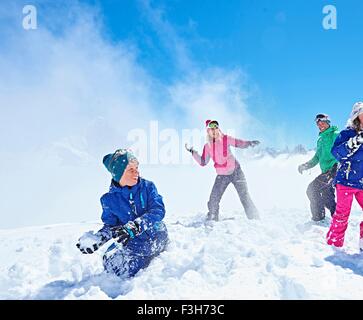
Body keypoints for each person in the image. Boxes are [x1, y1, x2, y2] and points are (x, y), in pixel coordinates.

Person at [76, 149, 168, 278]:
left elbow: (158, 210)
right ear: (118, 174)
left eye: (137, 167)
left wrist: (137, 225)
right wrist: (99, 238)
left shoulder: (147, 187)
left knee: (125, 271)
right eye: (131, 169)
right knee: (108, 262)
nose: (136, 172)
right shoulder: (109, 200)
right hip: (133, 243)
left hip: (156, 235)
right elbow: (112, 226)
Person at [185, 119, 260, 221]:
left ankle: (255, 219)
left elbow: (238, 143)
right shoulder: (207, 146)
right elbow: (203, 162)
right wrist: (193, 152)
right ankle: (212, 218)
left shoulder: (226, 139)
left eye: (216, 128)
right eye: (211, 129)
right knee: (213, 200)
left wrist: (249, 143)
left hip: (236, 171)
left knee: (244, 196)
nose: (214, 131)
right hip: (222, 176)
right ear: (208, 132)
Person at [327, 102, 363, 250]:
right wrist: (352, 144)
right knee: (342, 214)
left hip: (362, 182)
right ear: (357, 116)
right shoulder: (346, 134)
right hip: (346, 181)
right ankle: (334, 244)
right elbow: (335, 153)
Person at [298, 114, 339, 222]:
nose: (320, 125)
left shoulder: (335, 134)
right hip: (326, 171)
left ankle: (318, 217)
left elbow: (344, 149)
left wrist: (337, 165)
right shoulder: (320, 140)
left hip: (334, 170)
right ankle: (338, 218)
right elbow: (317, 157)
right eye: (318, 123)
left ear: (328, 122)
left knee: (312, 189)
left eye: (323, 122)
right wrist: (306, 165)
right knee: (327, 196)